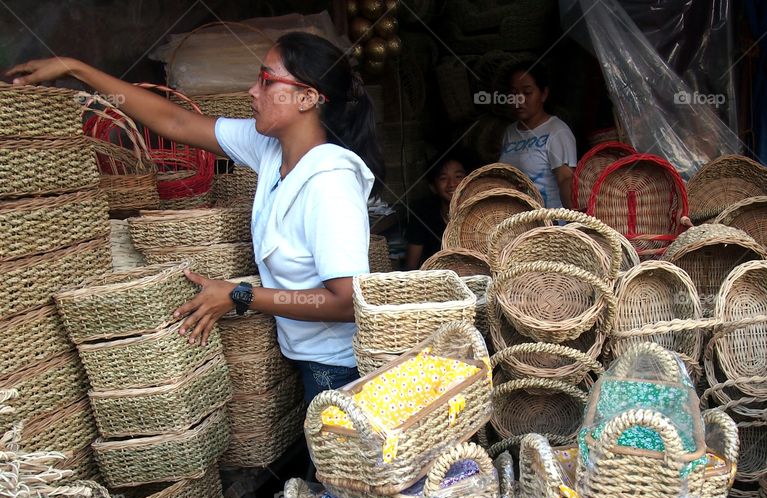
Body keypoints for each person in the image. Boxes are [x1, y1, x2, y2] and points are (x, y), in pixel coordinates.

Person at [9, 33, 383, 403]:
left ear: (307, 98)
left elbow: (345, 301)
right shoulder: (272, 150)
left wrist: (240, 295)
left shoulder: (329, 181)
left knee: (336, 462)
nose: (252, 91)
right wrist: (77, 69)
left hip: (337, 368)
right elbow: (176, 123)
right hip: (308, 358)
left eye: (267, 81)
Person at [498, 63, 577, 210]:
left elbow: (566, 178)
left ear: (544, 94)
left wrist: (575, 221)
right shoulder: (510, 133)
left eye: (527, 93)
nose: (519, 99)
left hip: (550, 223)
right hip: (518, 222)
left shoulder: (557, 131)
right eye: (514, 93)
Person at [404, 153, 468, 269]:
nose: (452, 184)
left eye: (458, 176)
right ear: (433, 187)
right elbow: (410, 267)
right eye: (443, 178)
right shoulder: (423, 213)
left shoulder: (482, 213)